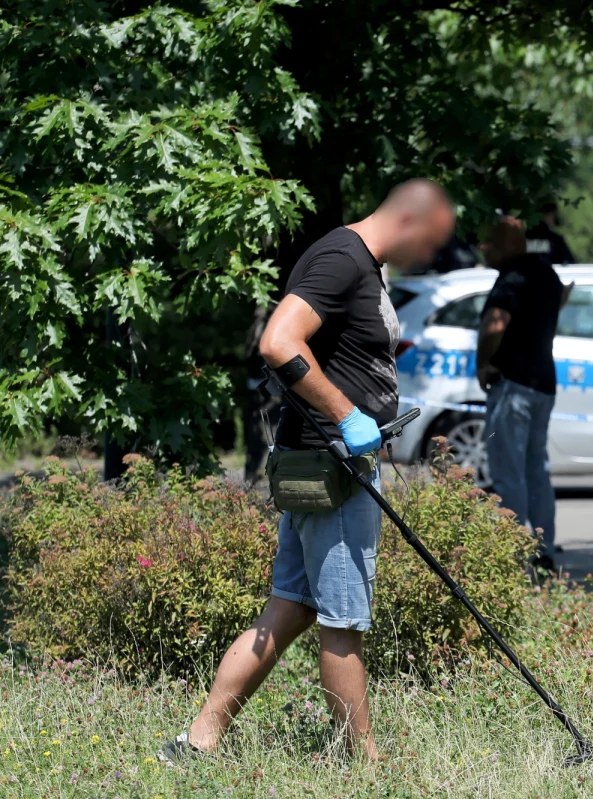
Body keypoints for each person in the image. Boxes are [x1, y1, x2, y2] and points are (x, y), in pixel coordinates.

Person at [158, 179, 455, 765]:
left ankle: (199, 740)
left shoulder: (356, 261)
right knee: (343, 620)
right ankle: (364, 764)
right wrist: (349, 417)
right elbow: (278, 342)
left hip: (318, 461)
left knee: (289, 606)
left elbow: (324, 348)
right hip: (334, 467)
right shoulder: (344, 260)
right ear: (412, 222)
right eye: (433, 244)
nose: (432, 259)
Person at [476, 217, 573, 571]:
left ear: (509, 244)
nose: (484, 248)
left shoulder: (512, 276)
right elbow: (560, 302)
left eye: (490, 241)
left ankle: (517, 554)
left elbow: (495, 323)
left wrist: (482, 363)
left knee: (507, 471)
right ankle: (543, 550)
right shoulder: (547, 274)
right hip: (543, 385)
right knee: (537, 469)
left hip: (513, 384)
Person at [525, 200, 576, 267]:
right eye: (552, 214)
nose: (553, 218)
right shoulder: (555, 240)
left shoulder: (524, 237)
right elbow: (570, 263)